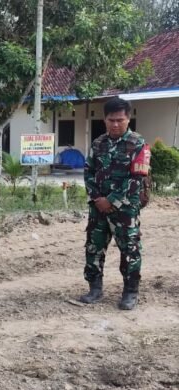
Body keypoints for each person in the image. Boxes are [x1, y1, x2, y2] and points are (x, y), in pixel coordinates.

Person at [81, 97, 150, 310]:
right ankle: (95, 288)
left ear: (128, 119)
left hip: (125, 209)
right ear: (105, 119)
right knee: (94, 247)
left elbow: (137, 178)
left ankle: (130, 292)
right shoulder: (98, 144)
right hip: (98, 208)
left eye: (120, 120)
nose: (116, 124)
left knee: (129, 249)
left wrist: (111, 200)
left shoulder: (138, 144)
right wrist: (97, 198)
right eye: (111, 120)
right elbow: (88, 172)